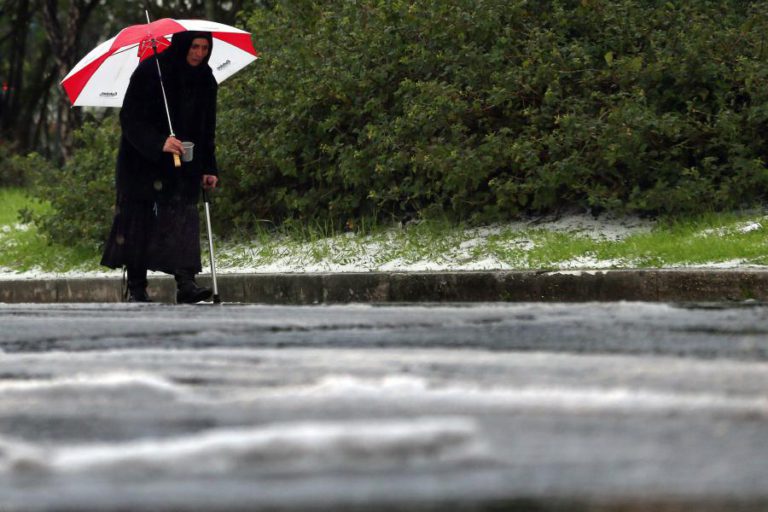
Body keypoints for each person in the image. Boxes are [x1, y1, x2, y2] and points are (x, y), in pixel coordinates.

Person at [101, 31, 219, 303]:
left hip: (183, 163)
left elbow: (207, 128)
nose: (199, 54)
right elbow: (129, 118)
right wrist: (159, 142)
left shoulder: (205, 78)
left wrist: (209, 167)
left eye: (205, 48)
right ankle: (137, 288)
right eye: (194, 47)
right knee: (139, 222)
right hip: (142, 163)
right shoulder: (150, 71)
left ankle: (186, 284)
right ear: (183, 46)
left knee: (183, 219)